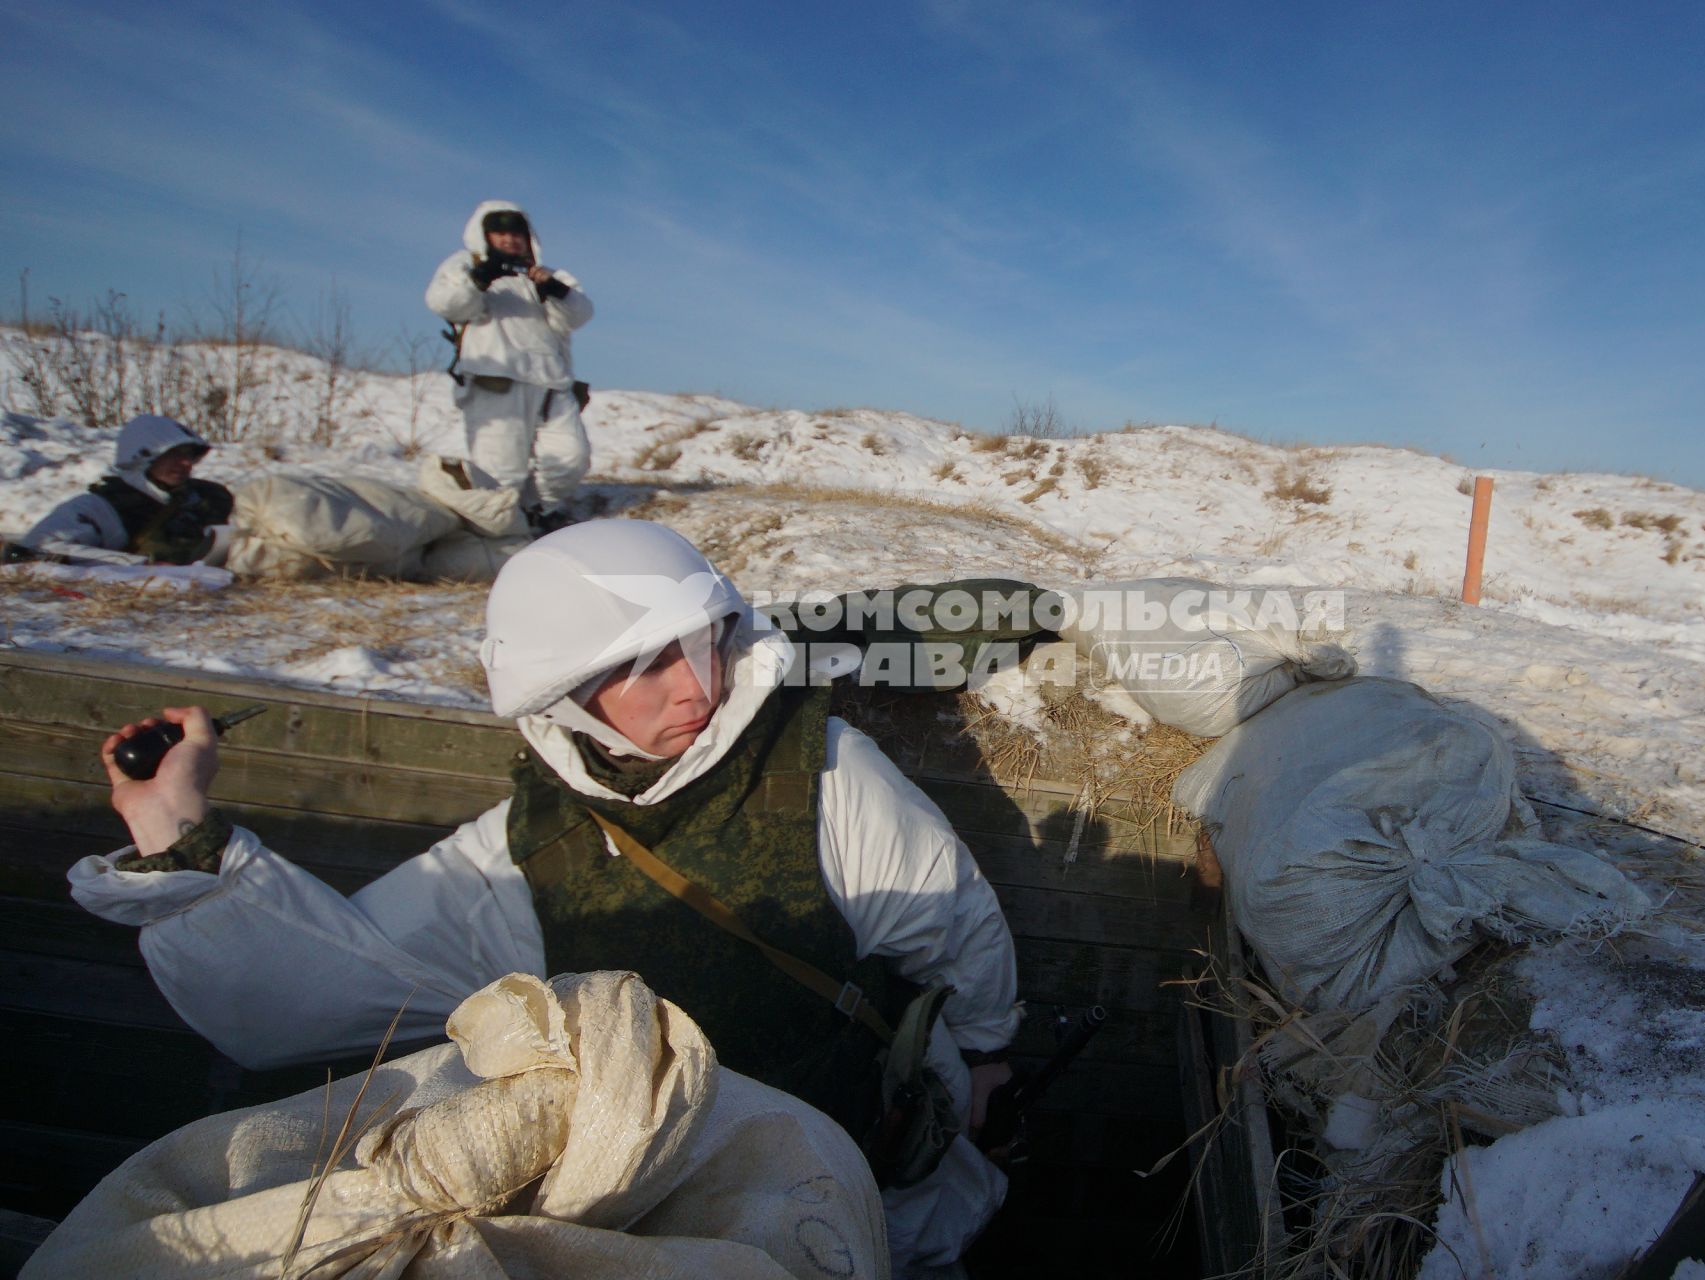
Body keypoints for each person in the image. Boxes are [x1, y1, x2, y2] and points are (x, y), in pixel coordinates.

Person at [70, 519, 1020, 1277]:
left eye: (702, 640)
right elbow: (325, 991)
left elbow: (954, 922)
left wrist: (983, 1056)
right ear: (561, 698)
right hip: (675, 1205)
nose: (694, 683)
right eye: (640, 664)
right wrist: (180, 838)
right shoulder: (531, 849)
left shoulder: (823, 775)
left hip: (869, 1163)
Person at [426, 200, 594, 533]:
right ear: (484, 234)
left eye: (516, 233)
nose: (509, 240)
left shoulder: (543, 274)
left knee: (570, 458)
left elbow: (580, 314)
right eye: (500, 232)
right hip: (495, 380)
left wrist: (554, 290)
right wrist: (479, 279)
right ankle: (502, 531)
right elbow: (444, 303)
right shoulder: (464, 266)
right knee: (502, 469)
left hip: (551, 382)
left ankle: (541, 511)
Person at [11, 415, 233, 566]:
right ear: (141, 458)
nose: (186, 463)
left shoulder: (209, 498)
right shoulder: (98, 507)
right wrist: (141, 567)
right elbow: (33, 551)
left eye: (190, 455)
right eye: (175, 454)